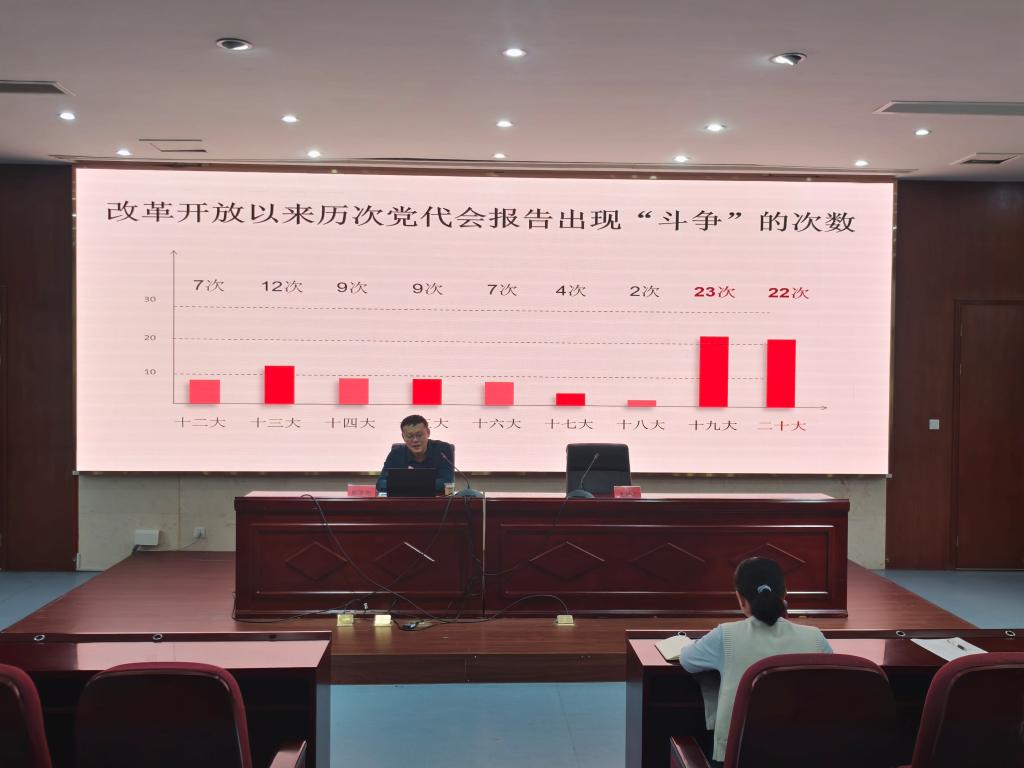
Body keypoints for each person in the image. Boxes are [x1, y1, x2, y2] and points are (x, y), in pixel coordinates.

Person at [679, 557, 832, 765]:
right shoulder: (814, 637)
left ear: (740, 599)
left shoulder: (726, 635)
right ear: (784, 594)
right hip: (803, 755)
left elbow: (687, 660)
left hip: (738, 758)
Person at [376, 414, 454, 494]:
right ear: (403, 437)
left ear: (428, 433)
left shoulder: (442, 449)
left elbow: (447, 482)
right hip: (405, 500)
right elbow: (380, 484)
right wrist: (418, 483)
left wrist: (408, 482)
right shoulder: (396, 453)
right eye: (410, 436)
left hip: (435, 500)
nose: (415, 440)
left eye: (419, 435)